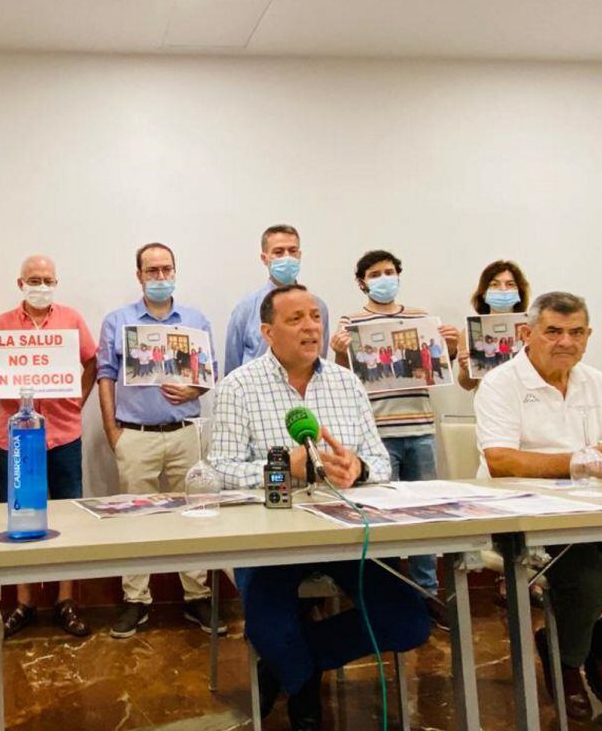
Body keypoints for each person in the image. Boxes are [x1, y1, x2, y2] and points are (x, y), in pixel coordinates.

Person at [209, 284, 430, 729]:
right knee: (268, 628)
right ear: (268, 332)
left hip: (346, 530)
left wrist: (358, 468)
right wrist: (283, 468)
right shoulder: (239, 387)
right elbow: (220, 470)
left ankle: (291, 668)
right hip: (271, 536)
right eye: (296, 319)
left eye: (315, 316)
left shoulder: (348, 383)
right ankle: (301, 683)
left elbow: (382, 462)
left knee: (411, 621)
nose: (310, 326)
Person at [475, 291, 602, 721]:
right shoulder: (501, 383)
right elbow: (500, 460)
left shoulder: (595, 381)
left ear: (588, 336)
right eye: (553, 331)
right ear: (526, 333)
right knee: (590, 582)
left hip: (600, 511)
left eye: (575, 332)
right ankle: (566, 662)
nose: (564, 342)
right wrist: (584, 460)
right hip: (529, 516)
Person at [330, 249, 459, 629]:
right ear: (361, 282)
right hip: (376, 436)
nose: (384, 278)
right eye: (375, 273)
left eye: (390, 272)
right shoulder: (349, 322)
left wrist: (450, 346)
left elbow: (441, 367)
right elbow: (342, 377)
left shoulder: (421, 319)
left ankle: (427, 593)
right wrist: (340, 352)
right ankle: (385, 596)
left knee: (425, 516)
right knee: (381, 517)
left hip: (419, 428)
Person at [0, 255, 98, 638]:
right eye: (33, 279)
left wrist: (79, 398)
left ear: (56, 281)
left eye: (47, 279)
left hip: (63, 432)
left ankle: (65, 599)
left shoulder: (72, 320)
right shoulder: (3, 325)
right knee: (17, 517)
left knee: (68, 515)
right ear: (20, 282)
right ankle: (23, 601)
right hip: (15, 439)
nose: (40, 286)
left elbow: (91, 362)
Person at [97, 242, 217, 638]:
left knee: (194, 516)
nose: (161, 277)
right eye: (152, 271)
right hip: (136, 435)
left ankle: (198, 596)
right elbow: (105, 376)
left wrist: (195, 392)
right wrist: (113, 431)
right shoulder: (118, 321)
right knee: (133, 521)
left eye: (167, 270)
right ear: (139, 276)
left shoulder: (195, 320)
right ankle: (136, 601)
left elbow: (209, 373)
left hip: (186, 434)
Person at [224, 224, 330, 376]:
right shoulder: (245, 309)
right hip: (256, 395)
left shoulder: (318, 307)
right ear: (264, 258)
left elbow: (318, 360)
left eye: (292, 251)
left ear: (299, 255)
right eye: (278, 252)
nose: (287, 257)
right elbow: (232, 368)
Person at [458, 260, 532, 391]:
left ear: (519, 292)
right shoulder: (470, 331)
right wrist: (466, 368)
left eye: (510, 284)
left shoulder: (533, 329)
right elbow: (467, 385)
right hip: (489, 403)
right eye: (494, 284)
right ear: (484, 293)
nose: (503, 289)